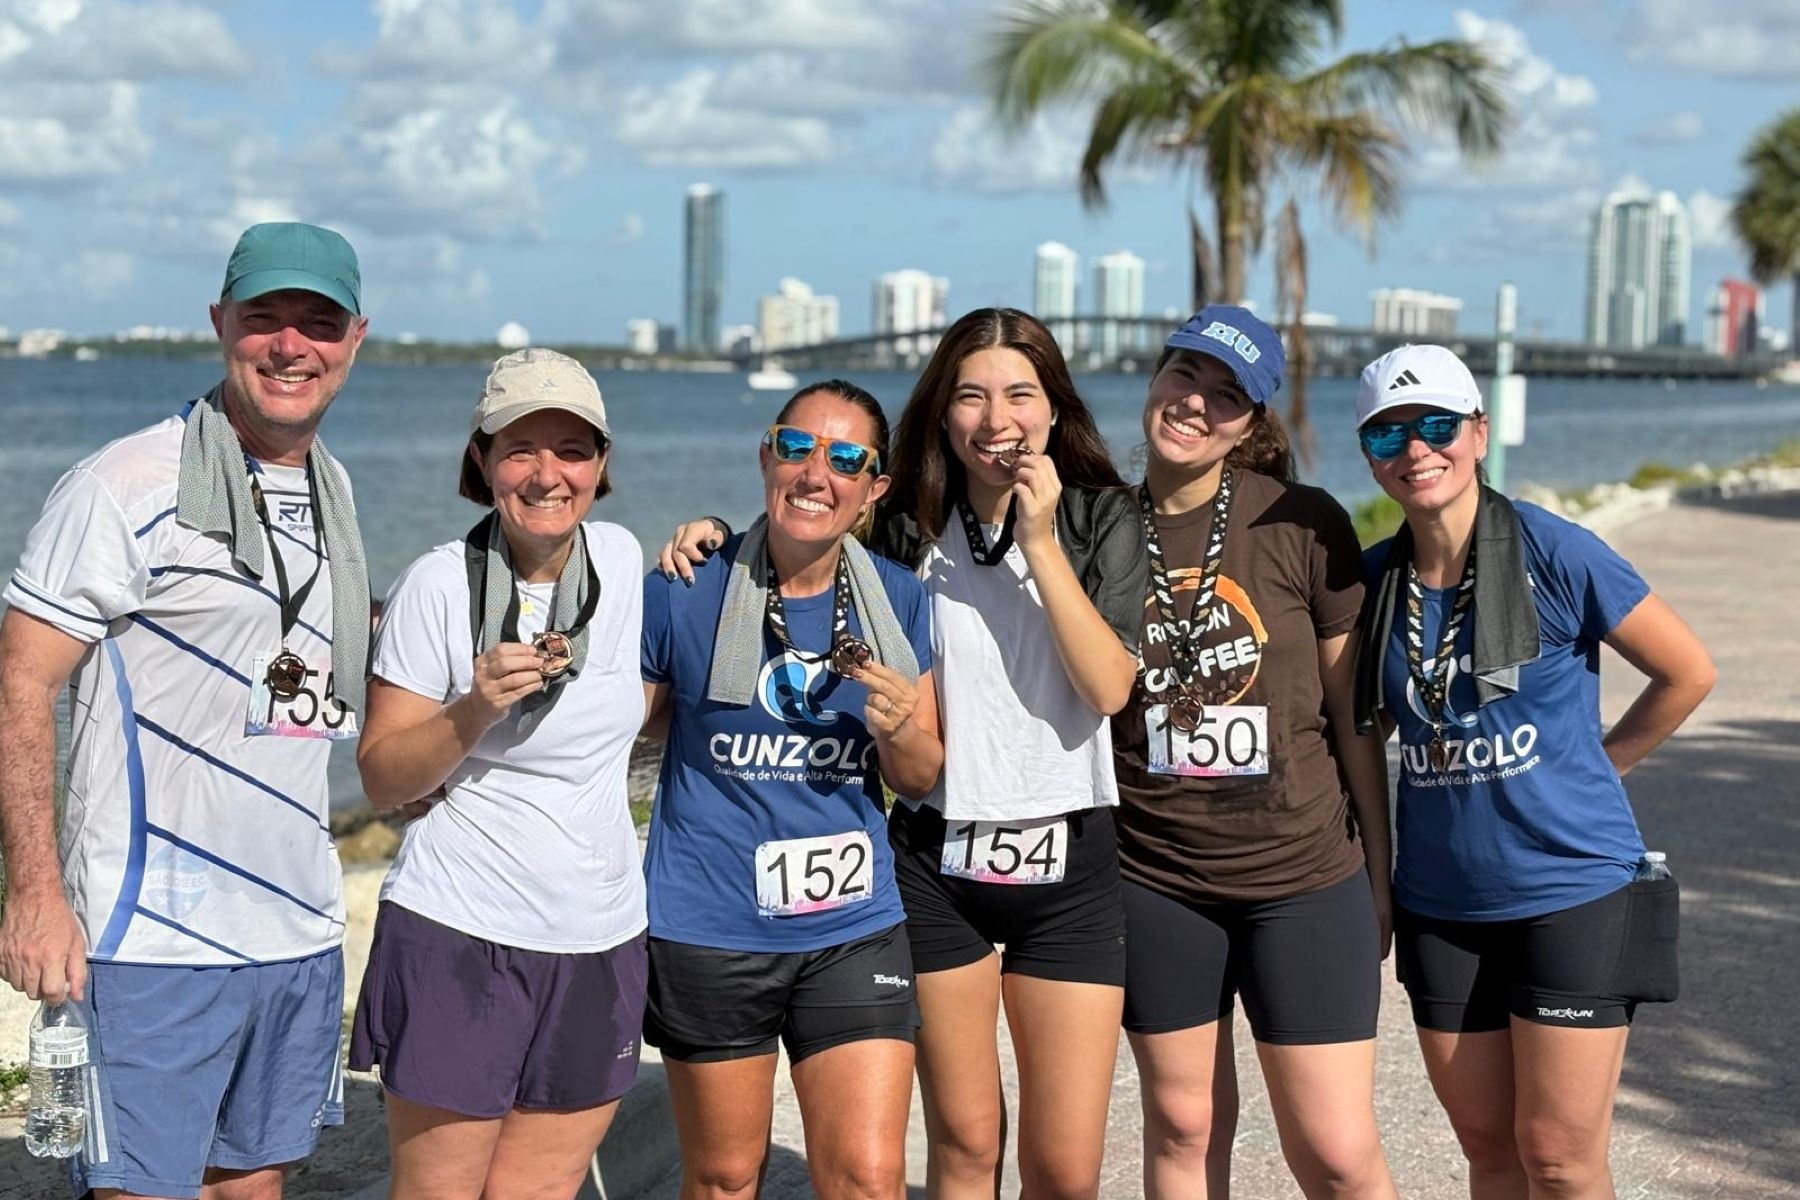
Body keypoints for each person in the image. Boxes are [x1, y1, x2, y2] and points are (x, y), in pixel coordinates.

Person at [660, 309, 1146, 1200]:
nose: (996, 417)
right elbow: (812, 523)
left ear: (1052, 407)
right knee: (962, 1144)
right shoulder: (909, 526)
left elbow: (1110, 688)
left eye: (1018, 394)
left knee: (1069, 1169)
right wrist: (711, 536)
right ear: (942, 413)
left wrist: (1039, 541)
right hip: (935, 857)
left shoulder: (1102, 516)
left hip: (1069, 860)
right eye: (971, 394)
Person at [0, 223, 371, 1200]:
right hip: (151, 938)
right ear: (220, 325)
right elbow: (21, 683)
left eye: (318, 323)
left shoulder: (333, 486)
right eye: (265, 319)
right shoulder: (122, 485)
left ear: (356, 340)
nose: (291, 345)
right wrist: (35, 896)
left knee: (253, 1189)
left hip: (296, 928)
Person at [1351, 344, 1714, 1200]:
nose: (1416, 451)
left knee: (1557, 1155)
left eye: (1437, 426)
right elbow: (1357, 730)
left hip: (1572, 891)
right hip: (1441, 905)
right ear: (1368, 456)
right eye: (1388, 435)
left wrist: (1604, 761)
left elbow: (1687, 671)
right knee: (1488, 1146)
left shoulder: (1555, 551)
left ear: (1478, 433)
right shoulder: (1373, 583)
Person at [349, 349, 647, 1200]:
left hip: (600, 934)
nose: (547, 474)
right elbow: (380, 777)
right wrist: (470, 711)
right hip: (460, 931)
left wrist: (702, 533)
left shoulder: (623, 562)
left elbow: (658, 683)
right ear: (481, 461)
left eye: (573, 450)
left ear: (601, 464)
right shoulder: (437, 586)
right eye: (521, 449)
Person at [1114, 308, 1398, 1199]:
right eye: (1184, 376)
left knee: (1336, 1150)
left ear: (1254, 423)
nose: (1197, 404)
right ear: (1155, 378)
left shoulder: (1304, 524)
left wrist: (1380, 877)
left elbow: (1353, 717)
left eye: (1227, 396)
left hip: (1304, 876)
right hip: (1155, 873)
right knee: (1184, 1128)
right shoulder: (1100, 529)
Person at [640, 379, 941, 1200]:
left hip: (851, 924)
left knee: (869, 1178)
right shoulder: (683, 585)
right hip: (711, 921)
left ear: (874, 488)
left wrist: (897, 726)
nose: (817, 474)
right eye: (797, 446)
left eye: (847, 459)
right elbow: (611, 742)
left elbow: (917, 777)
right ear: (766, 456)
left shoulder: (900, 598)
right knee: (727, 1177)